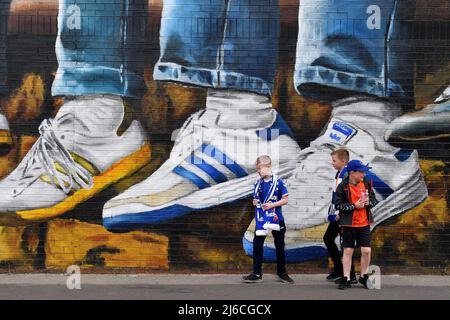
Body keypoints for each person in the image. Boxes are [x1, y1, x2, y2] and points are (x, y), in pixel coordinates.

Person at [243, 155, 293, 284]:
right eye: (257, 169)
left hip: (277, 219)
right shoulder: (258, 184)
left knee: (280, 246)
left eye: (260, 168)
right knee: (257, 245)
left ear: (269, 166)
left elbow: (285, 200)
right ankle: (257, 273)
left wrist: (272, 205)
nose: (259, 171)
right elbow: (257, 199)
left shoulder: (279, 182)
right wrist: (255, 201)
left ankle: (282, 273)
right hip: (261, 220)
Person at [334, 160, 378, 290]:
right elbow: (338, 205)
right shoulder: (343, 186)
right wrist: (354, 206)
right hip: (349, 224)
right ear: (352, 173)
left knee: (366, 250)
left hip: (364, 223)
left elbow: (374, 200)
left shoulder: (366, 183)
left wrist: (369, 202)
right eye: (361, 172)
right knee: (348, 251)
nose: (363, 174)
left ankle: (363, 276)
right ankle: (346, 278)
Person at [323, 148, 356, 283]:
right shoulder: (339, 174)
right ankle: (339, 269)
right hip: (337, 215)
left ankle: (351, 275)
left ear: (343, 161)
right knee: (329, 238)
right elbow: (335, 196)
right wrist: (332, 212)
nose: (332, 163)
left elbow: (349, 197)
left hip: (344, 215)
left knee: (345, 244)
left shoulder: (347, 175)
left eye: (334, 160)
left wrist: (341, 213)